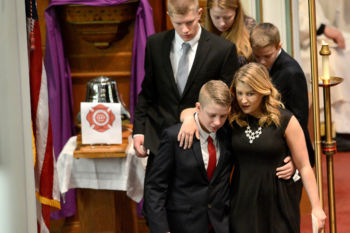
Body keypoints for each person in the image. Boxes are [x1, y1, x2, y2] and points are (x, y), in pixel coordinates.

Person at [132, 0, 239, 217]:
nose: (185, 29)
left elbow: (227, 98)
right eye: (178, 23)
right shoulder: (155, 44)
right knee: (157, 206)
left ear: (199, 13)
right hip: (161, 138)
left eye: (190, 22)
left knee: (197, 213)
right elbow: (148, 92)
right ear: (169, 15)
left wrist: (193, 115)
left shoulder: (223, 50)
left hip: (200, 143)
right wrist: (139, 130)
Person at [228, 63, 325, 233]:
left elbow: (304, 166)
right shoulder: (232, 120)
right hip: (242, 202)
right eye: (240, 93)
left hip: (278, 203)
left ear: (263, 91)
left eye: (250, 94)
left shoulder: (285, 120)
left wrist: (316, 207)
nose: (243, 100)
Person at [144, 80, 233, 233]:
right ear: (198, 108)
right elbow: (155, 188)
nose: (217, 122)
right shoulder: (174, 136)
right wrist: (161, 229)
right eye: (212, 115)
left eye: (223, 116)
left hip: (220, 225)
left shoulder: (228, 134)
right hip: (183, 225)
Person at [250, 23, 314, 167]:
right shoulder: (256, 61)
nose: (261, 62)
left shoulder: (292, 72)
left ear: (279, 46)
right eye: (257, 56)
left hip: (289, 150)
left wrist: (294, 156)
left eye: (267, 56)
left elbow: (299, 118)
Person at [299, 0, 350, 151]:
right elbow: (299, 20)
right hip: (303, 45)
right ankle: (331, 131)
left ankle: (343, 127)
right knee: (332, 59)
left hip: (315, 37)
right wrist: (322, 28)